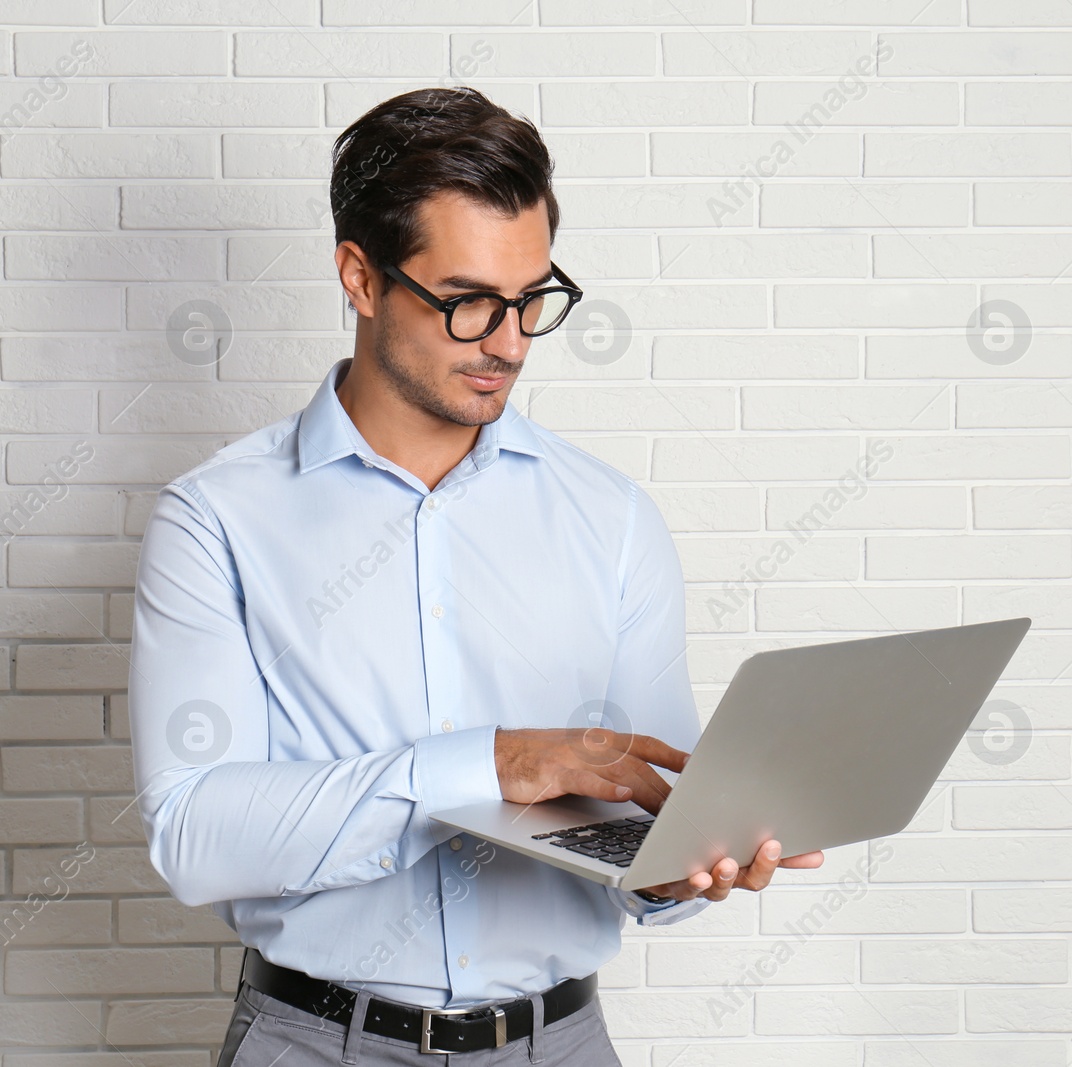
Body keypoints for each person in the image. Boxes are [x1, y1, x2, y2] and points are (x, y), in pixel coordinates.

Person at [128, 86, 823, 1066]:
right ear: (361, 278)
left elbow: (652, 800)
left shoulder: (610, 517)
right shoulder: (218, 519)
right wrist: (483, 763)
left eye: (532, 298)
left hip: (561, 1041)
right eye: (466, 302)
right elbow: (194, 832)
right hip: (316, 1042)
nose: (507, 340)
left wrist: (683, 865)